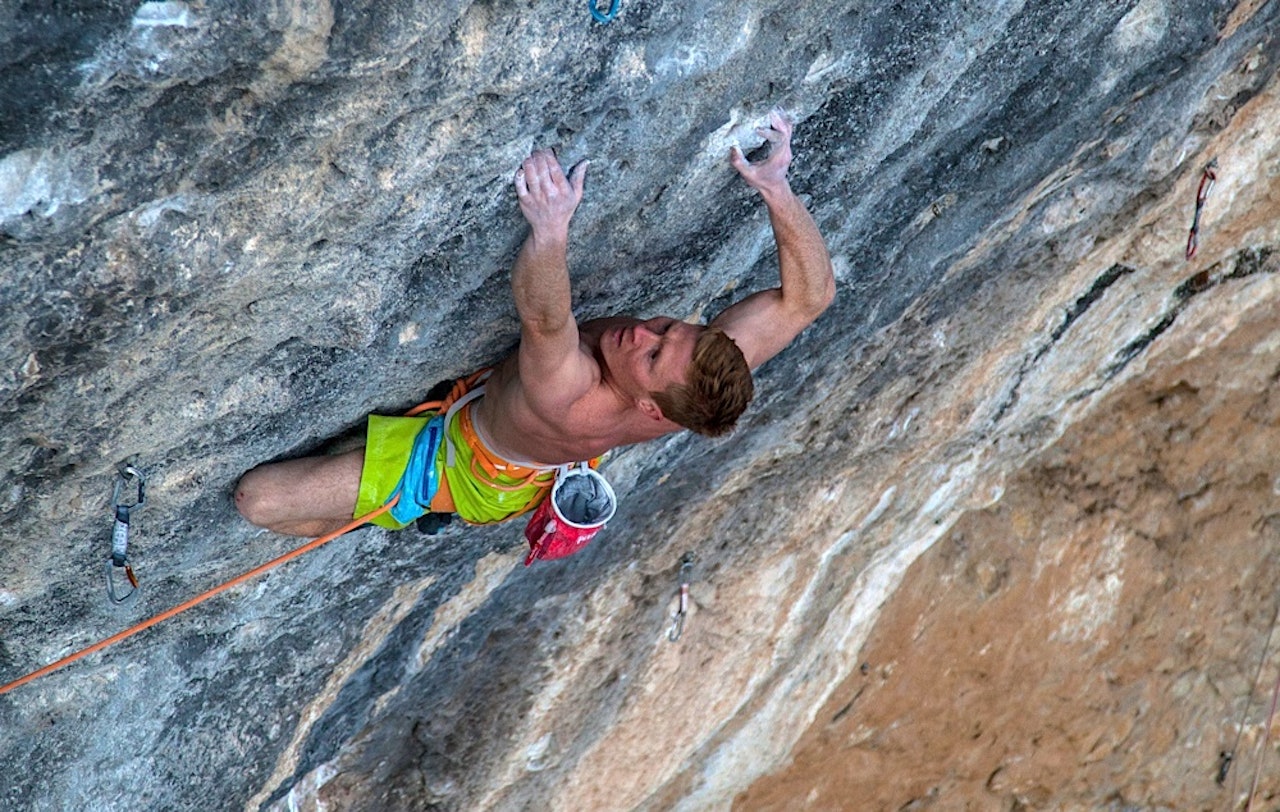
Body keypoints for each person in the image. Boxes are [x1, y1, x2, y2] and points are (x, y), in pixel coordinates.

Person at [235, 110, 835, 538]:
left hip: (465, 467)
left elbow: (547, 318)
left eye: (652, 357)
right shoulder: (696, 376)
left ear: (653, 409)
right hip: (540, 454)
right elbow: (808, 299)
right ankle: (383, 492)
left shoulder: (571, 396)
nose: (644, 335)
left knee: (258, 499)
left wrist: (549, 228)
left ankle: (406, 506)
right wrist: (776, 188)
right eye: (669, 328)